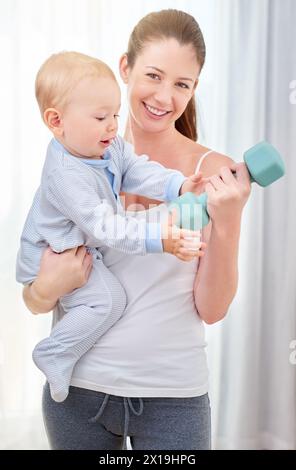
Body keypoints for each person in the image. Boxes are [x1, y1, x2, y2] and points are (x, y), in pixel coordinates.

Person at [22, 10, 251, 450]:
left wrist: (230, 218)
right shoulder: (78, 159)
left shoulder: (214, 175)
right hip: (77, 394)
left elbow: (212, 308)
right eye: (154, 75)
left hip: (173, 399)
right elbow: (37, 294)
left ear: (194, 89)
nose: (165, 96)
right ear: (125, 69)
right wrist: (43, 288)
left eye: (182, 84)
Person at [16, 51, 207, 403]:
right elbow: (109, 227)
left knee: (110, 298)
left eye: (116, 114)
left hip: (79, 249)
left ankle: (59, 351)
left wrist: (177, 186)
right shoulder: (65, 176)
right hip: (54, 254)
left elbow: (138, 169)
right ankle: (55, 352)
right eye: (101, 117)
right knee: (106, 302)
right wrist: (160, 239)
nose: (113, 126)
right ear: (57, 122)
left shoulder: (105, 147)